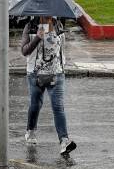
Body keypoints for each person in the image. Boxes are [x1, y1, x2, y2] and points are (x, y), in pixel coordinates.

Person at [21, 16, 76, 156]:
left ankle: (64, 141)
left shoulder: (58, 26)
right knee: (35, 104)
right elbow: (24, 51)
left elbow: (61, 50)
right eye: (45, 14)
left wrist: (62, 68)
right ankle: (30, 131)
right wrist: (37, 37)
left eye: (51, 14)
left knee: (58, 106)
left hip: (56, 73)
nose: (49, 16)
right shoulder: (30, 26)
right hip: (35, 73)